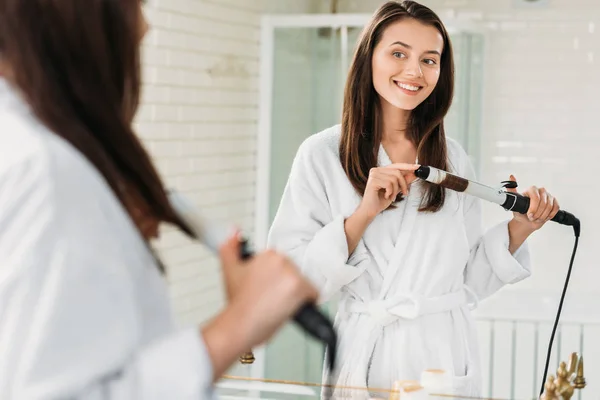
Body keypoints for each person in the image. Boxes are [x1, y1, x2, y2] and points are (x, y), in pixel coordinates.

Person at [0, 0, 318, 399]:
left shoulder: (29, 154)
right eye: (135, 6)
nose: (144, 28)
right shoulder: (42, 171)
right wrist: (238, 325)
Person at [267, 0, 560, 398]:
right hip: (366, 353)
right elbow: (289, 283)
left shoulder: (452, 158)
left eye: (429, 59)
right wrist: (364, 213)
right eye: (399, 53)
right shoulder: (321, 154)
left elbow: (467, 282)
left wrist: (518, 228)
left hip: (441, 358)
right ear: (370, 56)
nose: (414, 71)